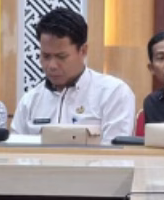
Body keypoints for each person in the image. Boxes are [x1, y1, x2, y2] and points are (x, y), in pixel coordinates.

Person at [11, 7, 135, 142]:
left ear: (83, 51)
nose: (52, 65)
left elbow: (115, 151)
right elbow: (15, 150)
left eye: (61, 57)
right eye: (46, 56)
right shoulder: (30, 101)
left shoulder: (113, 93)